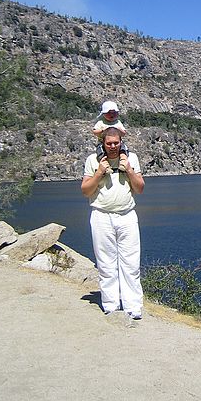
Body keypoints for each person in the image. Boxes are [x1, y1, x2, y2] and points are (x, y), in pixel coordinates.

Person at [81, 127, 145, 319]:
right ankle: (110, 304)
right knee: (106, 263)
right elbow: (85, 190)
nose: (112, 147)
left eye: (115, 143)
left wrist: (129, 170)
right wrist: (99, 172)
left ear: (121, 142)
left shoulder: (131, 158)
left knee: (131, 263)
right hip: (102, 216)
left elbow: (140, 188)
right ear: (103, 143)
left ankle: (133, 306)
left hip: (127, 216)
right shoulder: (92, 160)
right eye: (109, 143)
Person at [93, 101, 129, 173]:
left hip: (118, 142)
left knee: (123, 150)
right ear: (104, 114)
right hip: (102, 143)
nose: (111, 115)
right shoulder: (101, 122)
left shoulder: (118, 122)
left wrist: (118, 129)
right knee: (101, 153)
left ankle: (123, 163)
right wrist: (103, 130)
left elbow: (124, 133)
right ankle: (106, 167)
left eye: (114, 113)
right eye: (109, 113)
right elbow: (95, 132)